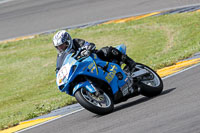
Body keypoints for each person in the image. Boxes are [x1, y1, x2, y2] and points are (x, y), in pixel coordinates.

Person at [53, 30, 135, 73]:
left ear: (68, 41)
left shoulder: (75, 42)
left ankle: (129, 62)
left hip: (94, 58)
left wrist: (88, 49)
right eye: (58, 47)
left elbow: (88, 44)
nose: (61, 48)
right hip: (82, 68)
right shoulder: (60, 56)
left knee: (106, 51)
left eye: (62, 45)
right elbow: (59, 68)